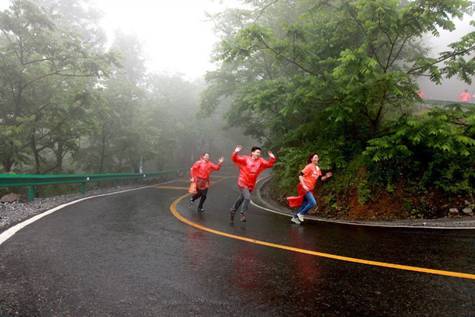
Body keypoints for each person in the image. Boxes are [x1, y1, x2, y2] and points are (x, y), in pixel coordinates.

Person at [230, 145, 276, 222]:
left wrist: (272, 158)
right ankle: (242, 214)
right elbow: (235, 158)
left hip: (251, 184)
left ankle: (233, 210)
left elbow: (269, 164)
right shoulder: (245, 159)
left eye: (260, 153)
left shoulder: (261, 161)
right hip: (242, 181)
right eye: (257, 152)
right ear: (252, 152)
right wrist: (236, 151)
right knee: (247, 197)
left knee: (241, 198)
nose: (259, 154)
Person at [288, 153, 332, 225]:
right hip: (304, 187)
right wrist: (304, 185)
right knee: (313, 202)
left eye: (317, 157)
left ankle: (295, 218)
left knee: (304, 204)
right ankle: (301, 214)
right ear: (311, 159)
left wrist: (326, 176)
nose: (316, 159)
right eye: (314, 157)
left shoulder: (317, 168)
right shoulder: (309, 166)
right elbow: (300, 175)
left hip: (310, 188)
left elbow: (320, 179)